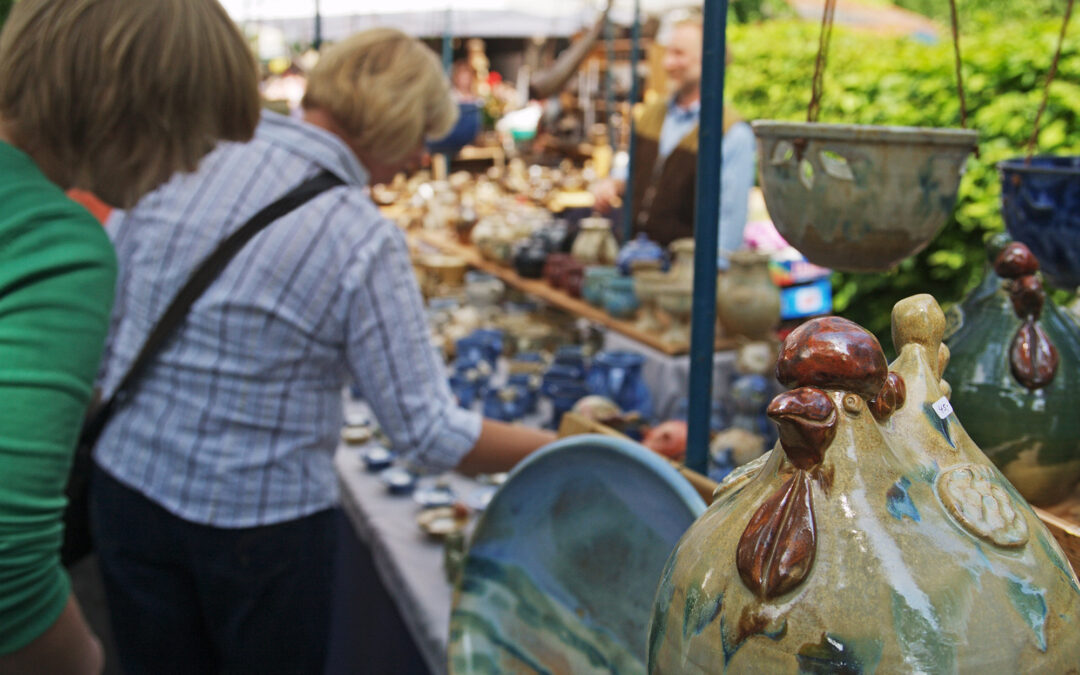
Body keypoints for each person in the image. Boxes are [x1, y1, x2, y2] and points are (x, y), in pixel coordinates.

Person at [90, 27, 557, 674]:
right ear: (393, 121)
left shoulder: (184, 161)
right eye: (423, 136)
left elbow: (102, 315)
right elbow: (429, 435)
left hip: (127, 490)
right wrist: (568, 448)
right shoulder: (359, 236)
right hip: (256, 529)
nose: (423, 157)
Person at [0, 1, 260, 673]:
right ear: (137, 107)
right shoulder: (54, 241)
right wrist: (77, 659)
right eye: (195, 135)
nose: (191, 168)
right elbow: (6, 559)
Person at [592, 17, 756, 265]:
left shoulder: (732, 134)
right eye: (669, 53)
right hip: (633, 259)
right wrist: (614, 183)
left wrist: (710, 276)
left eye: (679, 54)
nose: (668, 63)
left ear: (709, 60)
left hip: (681, 275)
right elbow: (633, 171)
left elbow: (729, 225)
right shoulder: (650, 114)